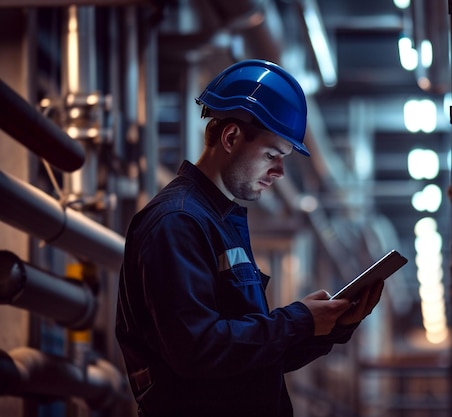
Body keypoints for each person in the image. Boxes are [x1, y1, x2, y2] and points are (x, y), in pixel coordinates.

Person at [115, 59, 384, 417]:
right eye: (273, 154)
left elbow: (248, 358)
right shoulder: (178, 222)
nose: (280, 172)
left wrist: (326, 329)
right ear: (230, 137)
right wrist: (298, 320)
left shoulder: (220, 222)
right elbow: (197, 350)